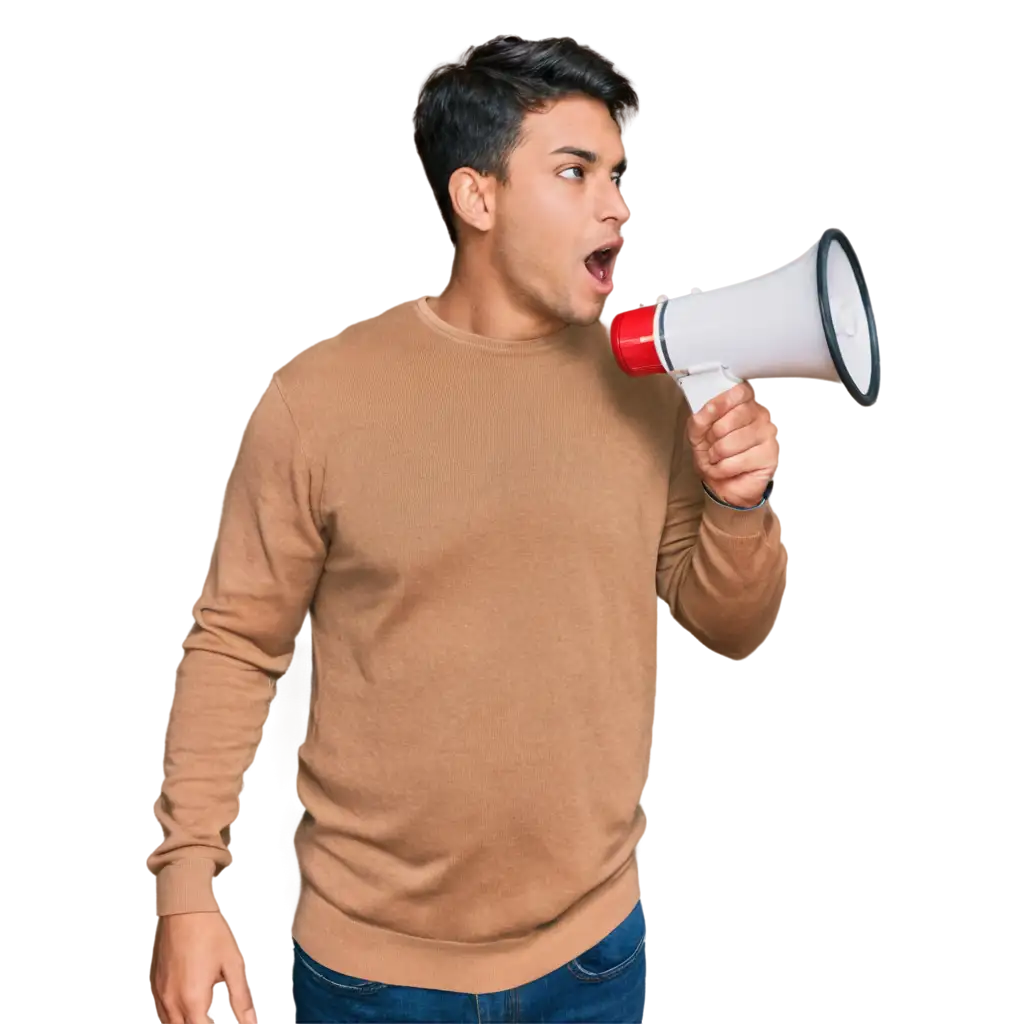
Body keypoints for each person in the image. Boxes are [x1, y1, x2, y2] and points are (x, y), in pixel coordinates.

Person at [148, 33, 786, 1024]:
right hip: (371, 975)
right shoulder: (319, 398)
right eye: (574, 172)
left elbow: (724, 619)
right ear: (475, 198)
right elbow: (235, 642)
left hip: (593, 958)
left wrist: (740, 499)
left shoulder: (651, 388)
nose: (616, 204)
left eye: (619, 175)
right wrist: (185, 890)